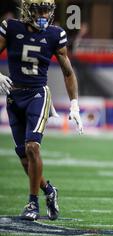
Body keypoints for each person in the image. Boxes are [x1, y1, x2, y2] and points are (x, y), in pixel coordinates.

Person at [0, 0, 83, 221]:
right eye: (40, 10)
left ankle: (32, 203)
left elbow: (67, 71)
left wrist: (74, 103)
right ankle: (48, 190)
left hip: (38, 94)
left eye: (48, 9)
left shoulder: (55, 34)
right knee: (24, 156)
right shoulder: (11, 27)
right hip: (14, 95)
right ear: (28, 10)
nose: (45, 14)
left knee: (33, 147)